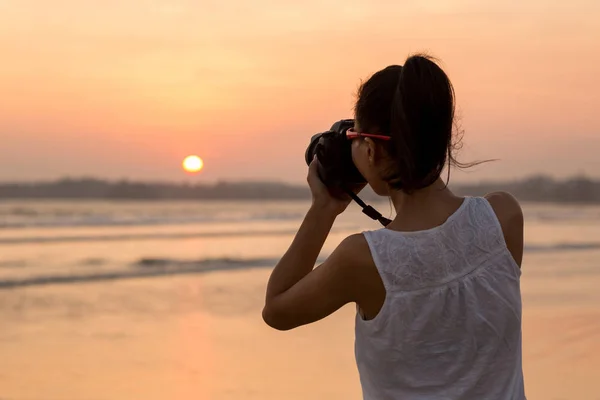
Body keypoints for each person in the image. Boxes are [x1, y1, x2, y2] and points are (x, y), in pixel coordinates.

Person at [262, 54, 525, 400]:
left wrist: (323, 209)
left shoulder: (363, 260)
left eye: (353, 134)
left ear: (370, 150)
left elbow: (277, 309)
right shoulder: (502, 217)